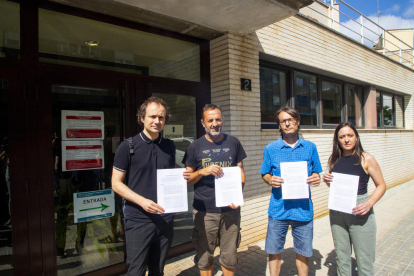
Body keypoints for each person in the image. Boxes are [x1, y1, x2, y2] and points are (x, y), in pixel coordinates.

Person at [112, 96, 190, 276]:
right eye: (152, 116)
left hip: (164, 219)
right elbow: (116, 183)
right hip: (138, 219)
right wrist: (142, 201)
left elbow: (169, 179)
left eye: (161, 117)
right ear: (142, 118)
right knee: (136, 271)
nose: (157, 121)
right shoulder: (128, 146)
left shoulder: (169, 146)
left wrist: (182, 176)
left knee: (158, 270)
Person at [184, 104, 247, 276]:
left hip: (230, 210)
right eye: (210, 120)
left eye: (218, 119)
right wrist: (202, 171)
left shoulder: (233, 143)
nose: (214, 123)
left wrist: (238, 196)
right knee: (205, 258)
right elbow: (187, 180)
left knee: (229, 257)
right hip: (205, 212)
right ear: (202, 122)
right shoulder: (195, 147)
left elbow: (240, 171)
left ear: (223, 120)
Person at [260, 106, 322, 276]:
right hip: (278, 209)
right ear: (279, 126)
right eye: (283, 121)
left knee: (303, 252)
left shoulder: (310, 147)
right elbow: (264, 173)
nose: (287, 124)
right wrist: (270, 179)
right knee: (274, 251)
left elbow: (317, 171)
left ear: (297, 122)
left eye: (290, 120)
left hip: (303, 209)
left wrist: (316, 178)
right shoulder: (271, 148)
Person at [322, 122, 386, 276]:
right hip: (338, 213)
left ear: (356, 137)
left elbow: (382, 185)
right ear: (337, 140)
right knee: (342, 259)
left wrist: (369, 203)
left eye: (350, 135)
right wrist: (328, 181)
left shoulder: (366, 158)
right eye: (342, 137)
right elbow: (338, 188)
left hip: (360, 211)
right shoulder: (334, 159)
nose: (346, 140)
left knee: (364, 260)